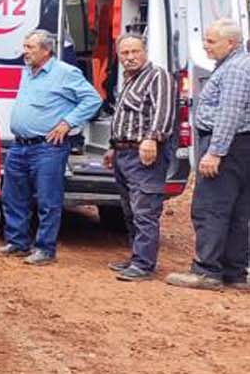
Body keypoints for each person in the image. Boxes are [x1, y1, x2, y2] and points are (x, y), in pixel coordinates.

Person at [0, 28, 102, 265]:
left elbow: (93, 99)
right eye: (25, 46)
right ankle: (18, 243)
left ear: (46, 50)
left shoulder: (65, 73)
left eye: (30, 48)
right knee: (12, 195)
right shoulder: (28, 72)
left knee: (48, 199)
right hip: (20, 145)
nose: (25, 52)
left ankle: (45, 249)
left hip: (48, 147)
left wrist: (68, 123)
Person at [168, 18, 250, 292]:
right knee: (238, 211)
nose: (205, 46)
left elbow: (230, 113)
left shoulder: (236, 69)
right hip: (240, 147)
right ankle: (234, 273)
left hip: (227, 146)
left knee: (211, 209)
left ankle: (207, 271)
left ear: (231, 43)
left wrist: (215, 151)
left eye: (211, 41)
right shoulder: (232, 65)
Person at [102, 35, 178, 281]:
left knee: (145, 210)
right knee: (130, 210)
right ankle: (136, 257)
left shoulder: (158, 76)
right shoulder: (129, 80)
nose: (130, 57)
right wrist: (113, 147)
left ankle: (144, 265)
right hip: (124, 153)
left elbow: (163, 112)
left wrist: (152, 139)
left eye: (135, 51)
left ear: (145, 51)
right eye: (124, 53)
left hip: (144, 154)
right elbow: (124, 119)